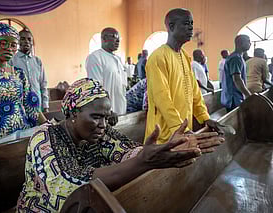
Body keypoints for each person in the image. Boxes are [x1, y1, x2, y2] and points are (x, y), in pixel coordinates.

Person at [16, 78, 224, 212]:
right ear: (72, 114)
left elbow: (126, 152)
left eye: (106, 117)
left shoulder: (99, 134)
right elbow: (71, 183)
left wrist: (167, 148)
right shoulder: (45, 137)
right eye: (96, 117)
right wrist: (145, 162)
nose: (102, 125)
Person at [145, 8, 221, 144]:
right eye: (186, 23)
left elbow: (195, 93)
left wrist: (204, 117)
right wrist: (179, 128)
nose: (191, 27)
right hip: (163, 133)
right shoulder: (158, 57)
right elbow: (161, 97)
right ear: (172, 26)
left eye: (192, 23)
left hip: (183, 130)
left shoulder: (185, 56)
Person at [86, 27, 127, 115]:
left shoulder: (118, 59)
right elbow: (96, 88)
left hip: (121, 109)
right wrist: (108, 110)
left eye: (119, 38)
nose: (118, 40)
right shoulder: (95, 57)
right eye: (114, 37)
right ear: (104, 39)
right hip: (106, 113)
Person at [12, 28, 49, 112]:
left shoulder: (37, 61)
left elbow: (43, 84)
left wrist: (45, 105)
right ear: (17, 41)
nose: (26, 41)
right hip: (20, 106)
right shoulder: (12, 61)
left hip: (38, 106)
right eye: (23, 39)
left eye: (29, 39)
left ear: (32, 43)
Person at [221, 35, 252, 112]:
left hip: (235, 98)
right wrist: (249, 95)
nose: (250, 43)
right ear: (240, 43)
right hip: (233, 99)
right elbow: (237, 79)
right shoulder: (235, 58)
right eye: (248, 41)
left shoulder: (238, 57)